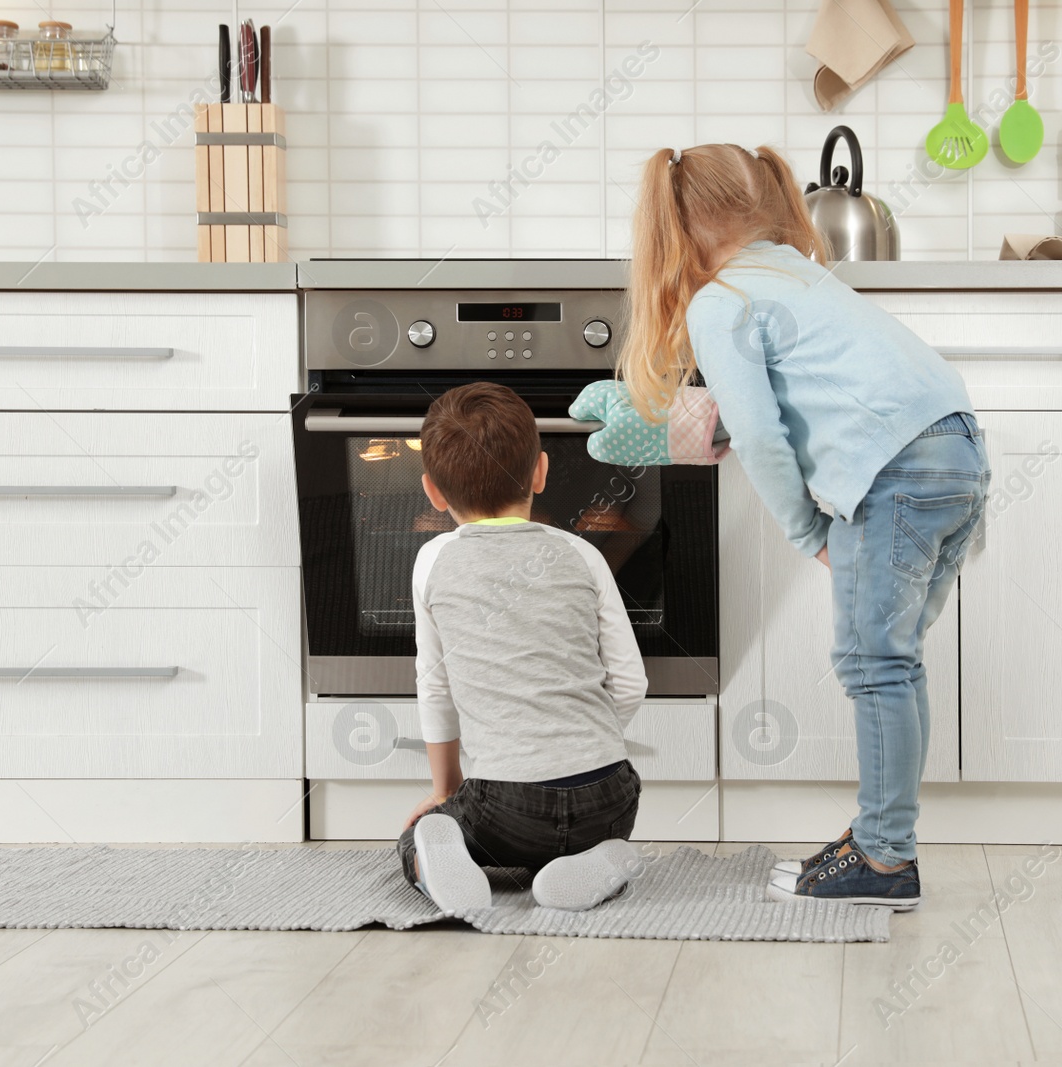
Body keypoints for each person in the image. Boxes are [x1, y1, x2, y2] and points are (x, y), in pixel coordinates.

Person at [590, 143, 989, 909]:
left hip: (898, 472)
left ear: (678, 228)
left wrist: (809, 534)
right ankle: (881, 837)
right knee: (892, 664)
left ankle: (882, 859)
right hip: (958, 450)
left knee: (876, 666)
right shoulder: (801, 274)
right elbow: (804, 403)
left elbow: (766, 436)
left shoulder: (719, 301)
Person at [396, 381, 648, 915]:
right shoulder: (582, 553)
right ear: (540, 471)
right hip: (609, 797)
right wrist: (581, 742)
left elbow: (435, 685)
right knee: (593, 826)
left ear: (433, 493)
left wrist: (446, 792)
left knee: (424, 831)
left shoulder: (433, 561)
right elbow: (630, 682)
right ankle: (605, 857)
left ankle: (451, 852)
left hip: (503, 808)